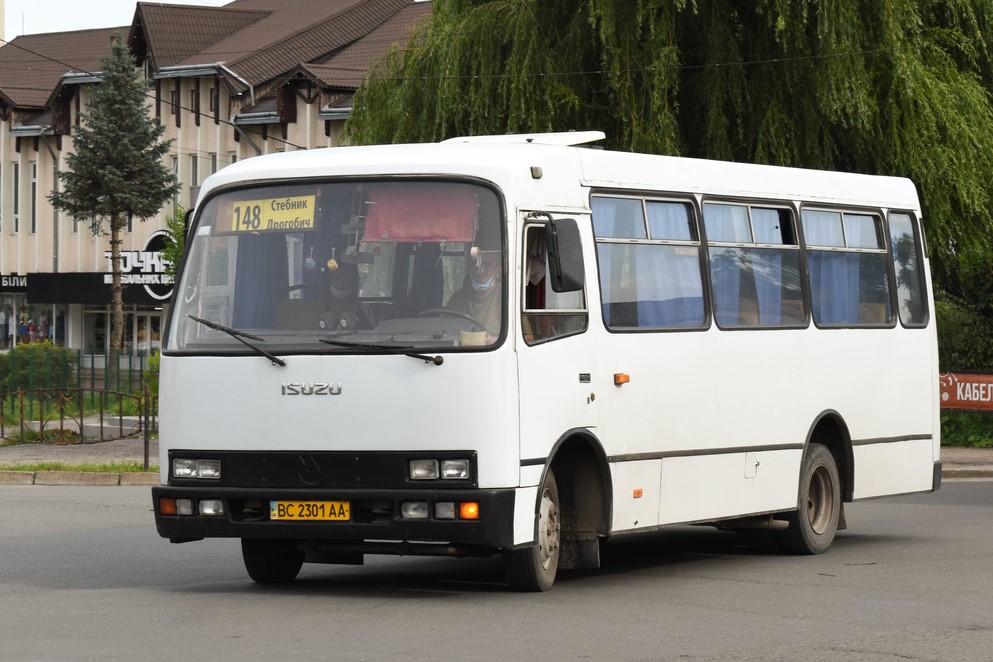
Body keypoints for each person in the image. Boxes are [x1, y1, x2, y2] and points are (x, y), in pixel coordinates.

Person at [445, 251, 502, 338]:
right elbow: (445, 332)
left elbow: (516, 338)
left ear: (498, 272)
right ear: (470, 269)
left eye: (487, 264)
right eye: (476, 263)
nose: (480, 269)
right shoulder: (458, 298)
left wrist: (494, 341)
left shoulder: (506, 296)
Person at [320, 262, 371, 331]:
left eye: (346, 278)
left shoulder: (363, 310)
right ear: (329, 279)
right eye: (337, 277)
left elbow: (369, 336)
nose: (341, 282)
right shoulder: (317, 307)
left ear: (353, 281)